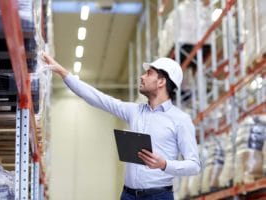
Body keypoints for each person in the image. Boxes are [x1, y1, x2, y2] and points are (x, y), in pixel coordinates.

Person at [42, 52, 201, 200]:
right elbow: (98, 98)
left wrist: (164, 164)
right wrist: (63, 73)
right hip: (128, 194)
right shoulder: (135, 111)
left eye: (149, 73)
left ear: (161, 81)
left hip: (158, 196)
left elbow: (194, 165)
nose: (142, 77)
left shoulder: (180, 120)